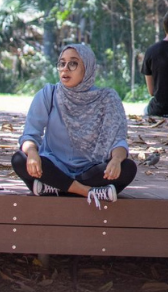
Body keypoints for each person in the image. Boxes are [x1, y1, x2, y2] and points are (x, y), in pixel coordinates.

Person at [13, 44, 135, 206]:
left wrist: (116, 160)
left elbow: (118, 141)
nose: (65, 69)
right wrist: (33, 153)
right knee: (20, 159)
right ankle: (86, 191)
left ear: (87, 68)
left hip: (90, 169)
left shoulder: (107, 99)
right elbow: (29, 135)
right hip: (53, 165)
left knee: (128, 168)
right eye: (62, 63)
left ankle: (54, 186)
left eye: (73, 63)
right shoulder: (48, 94)